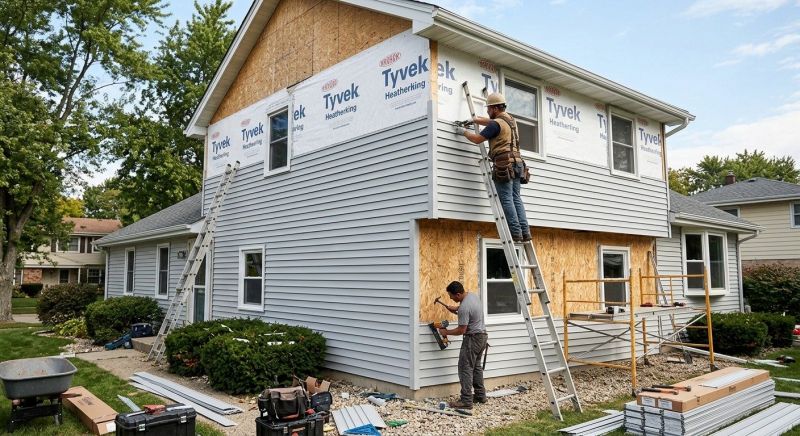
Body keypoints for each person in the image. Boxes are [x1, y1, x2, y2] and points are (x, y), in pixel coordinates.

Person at [456, 92, 531, 242]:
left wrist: (463, 132)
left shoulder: (496, 124)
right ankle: (525, 232)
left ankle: (515, 233)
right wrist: (475, 120)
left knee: (507, 199)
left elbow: (478, 139)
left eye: (489, 109)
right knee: (516, 198)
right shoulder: (511, 120)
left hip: (504, 164)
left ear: (495, 108)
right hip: (518, 164)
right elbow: (493, 123)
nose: (488, 112)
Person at [437, 281, 488, 409]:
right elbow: (468, 311)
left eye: (452, 296)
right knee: (476, 367)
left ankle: (466, 401)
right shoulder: (472, 296)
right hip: (482, 337)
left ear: (458, 294)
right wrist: (456, 309)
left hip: (472, 339)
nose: (450, 298)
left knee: (465, 368)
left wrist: (446, 331)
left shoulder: (464, 308)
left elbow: (461, 330)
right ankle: (480, 396)